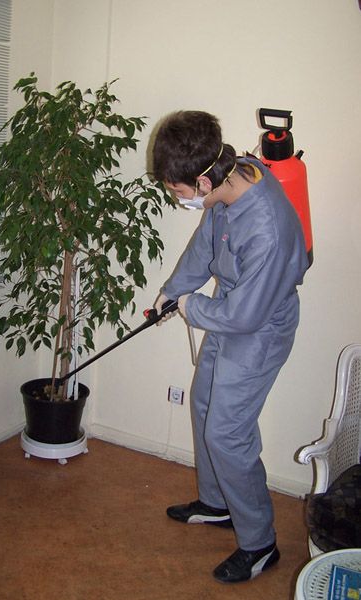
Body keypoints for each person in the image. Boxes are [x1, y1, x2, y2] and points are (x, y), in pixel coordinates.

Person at [151, 110, 308, 584]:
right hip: (229, 310)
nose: (177, 198)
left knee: (227, 432)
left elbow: (247, 316)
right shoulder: (230, 176)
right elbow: (205, 248)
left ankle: (260, 544)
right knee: (203, 402)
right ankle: (218, 503)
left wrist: (191, 307)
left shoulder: (267, 227)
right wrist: (171, 293)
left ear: (202, 181)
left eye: (177, 191)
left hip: (260, 326)